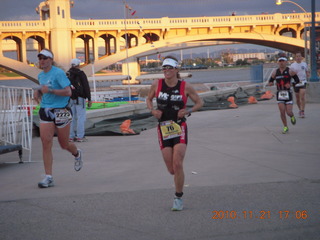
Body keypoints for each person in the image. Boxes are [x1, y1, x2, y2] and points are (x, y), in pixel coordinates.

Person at [146, 56, 203, 211]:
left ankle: (178, 197)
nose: (166, 70)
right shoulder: (156, 84)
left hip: (179, 127)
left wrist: (188, 110)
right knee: (171, 169)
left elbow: (200, 102)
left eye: (170, 68)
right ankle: (177, 181)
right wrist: (152, 110)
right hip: (163, 129)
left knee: (178, 164)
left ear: (176, 70)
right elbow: (148, 99)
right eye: (164, 68)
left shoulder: (185, 86)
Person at [33, 49, 83, 188]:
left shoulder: (58, 73)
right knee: (46, 142)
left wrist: (50, 91)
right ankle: (48, 177)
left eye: (45, 58)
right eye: (40, 58)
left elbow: (68, 92)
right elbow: (44, 88)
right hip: (46, 110)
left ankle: (77, 153)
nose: (42, 60)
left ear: (51, 59)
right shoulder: (41, 75)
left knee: (64, 144)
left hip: (61, 110)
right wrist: (38, 93)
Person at [268, 56, 300, 134]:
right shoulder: (275, 72)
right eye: (280, 61)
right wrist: (271, 83)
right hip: (280, 93)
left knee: (288, 112)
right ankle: (285, 126)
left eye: (283, 61)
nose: (281, 63)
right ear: (278, 62)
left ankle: (292, 116)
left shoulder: (290, 71)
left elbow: (297, 80)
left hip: (288, 93)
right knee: (282, 112)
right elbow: (270, 82)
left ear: (286, 62)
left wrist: (291, 84)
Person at [67, 58, 92, 142]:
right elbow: (86, 86)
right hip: (80, 98)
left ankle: (71, 136)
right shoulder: (81, 73)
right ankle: (80, 136)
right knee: (81, 117)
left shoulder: (67, 74)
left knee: (72, 118)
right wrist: (89, 98)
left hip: (70, 98)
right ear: (78, 65)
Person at [290, 52, 310, 118]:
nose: (298, 58)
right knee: (297, 98)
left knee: (302, 96)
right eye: (297, 56)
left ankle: (302, 111)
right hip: (295, 82)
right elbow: (290, 74)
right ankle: (300, 109)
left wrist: (307, 74)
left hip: (303, 81)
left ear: (301, 57)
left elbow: (307, 71)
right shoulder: (292, 65)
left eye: (299, 56)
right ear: (295, 58)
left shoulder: (304, 64)